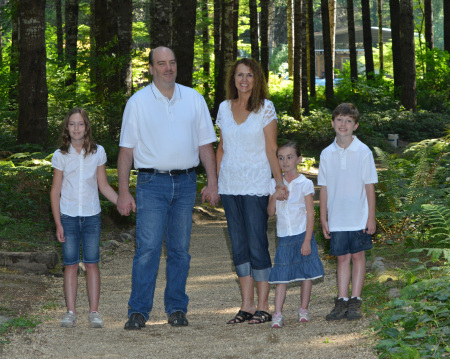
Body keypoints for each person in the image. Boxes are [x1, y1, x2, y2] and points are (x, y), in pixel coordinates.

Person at [117, 46, 219, 330]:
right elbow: (126, 151)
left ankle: (176, 309)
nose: (168, 68)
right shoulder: (137, 103)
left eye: (172, 62)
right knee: (147, 249)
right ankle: (138, 311)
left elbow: (205, 146)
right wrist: (123, 191)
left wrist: (212, 182)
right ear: (151, 68)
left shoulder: (194, 99)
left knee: (179, 251)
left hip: (186, 183)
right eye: (161, 63)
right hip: (151, 183)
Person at [216, 58, 286, 325]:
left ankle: (263, 305)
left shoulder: (265, 108)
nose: (243, 80)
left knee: (257, 243)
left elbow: (271, 149)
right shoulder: (224, 107)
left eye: (249, 75)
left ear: (257, 79)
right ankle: (245, 305)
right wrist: (215, 182)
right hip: (230, 185)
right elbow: (221, 148)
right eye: (239, 75)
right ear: (232, 79)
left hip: (256, 184)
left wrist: (278, 182)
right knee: (239, 246)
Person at [50, 108, 119, 328]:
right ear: (66, 128)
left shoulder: (97, 152)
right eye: (72, 124)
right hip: (68, 217)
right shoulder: (60, 155)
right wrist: (58, 223)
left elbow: (104, 185)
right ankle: (70, 311)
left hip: (91, 217)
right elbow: (55, 191)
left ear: (86, 127)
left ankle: (94, 311)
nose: (76, 128)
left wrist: (121, 202)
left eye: (80, 124)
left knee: (92, 263)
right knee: (70, 264)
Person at [318, 103, 378, 321]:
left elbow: (369, 185)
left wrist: (371, 216)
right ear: (333, 123)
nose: (343, 124)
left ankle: (355, 301)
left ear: (356, 125)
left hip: (359, 216)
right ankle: (341, 301)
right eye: (339, 120)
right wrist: (323, 217)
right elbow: (323, 188)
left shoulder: (363, 152)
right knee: (342, 258)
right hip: (337, 217)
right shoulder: (326, 154)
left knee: (358, 256)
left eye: (349, 121)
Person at [267, 142, 324, 328]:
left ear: (299, 159)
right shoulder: (274, 184)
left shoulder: (305, 183)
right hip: (284, 236)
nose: (285, 161)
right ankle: (277, 313)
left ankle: (303, 309)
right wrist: (275, 195)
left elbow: (310, 213)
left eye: (289, 157)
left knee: (305, 274)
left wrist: (308, 240)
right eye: (281, 158)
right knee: (281, 275)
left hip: (302, 234)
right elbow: (269, 212)